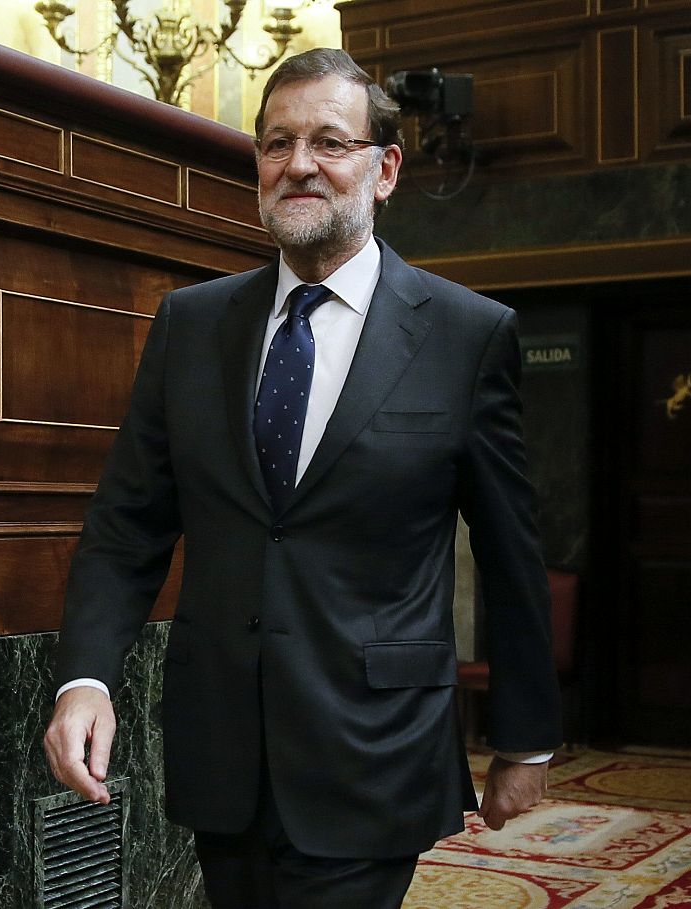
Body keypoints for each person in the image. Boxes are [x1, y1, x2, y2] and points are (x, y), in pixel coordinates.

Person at [41, 48, 562, 909]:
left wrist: (525, 737)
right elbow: (127, 525)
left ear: (384, 170)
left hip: (375, 749)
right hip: (221, 750)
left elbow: (511, 554)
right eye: (277, 143)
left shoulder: (467, 335)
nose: (300, 164)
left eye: (329, 141)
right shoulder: (190, 324)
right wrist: (85, 679)